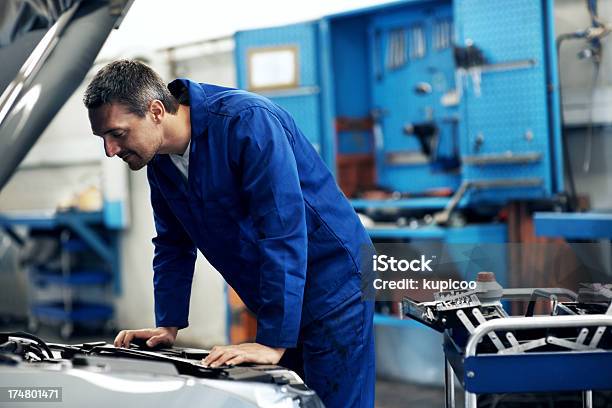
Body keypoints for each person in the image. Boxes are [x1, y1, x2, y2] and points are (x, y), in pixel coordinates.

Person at [83, 59, 375, 407]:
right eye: (103, 138)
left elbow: (280, 229)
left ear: (156, 111)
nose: (110, 150)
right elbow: (173, 243)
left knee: (334, 402)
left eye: (117, 133)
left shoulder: (247, 122)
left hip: (336, 284)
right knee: (293, 401)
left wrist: (272, 341)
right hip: (283, 293)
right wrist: (169, 324)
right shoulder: (160, 162)